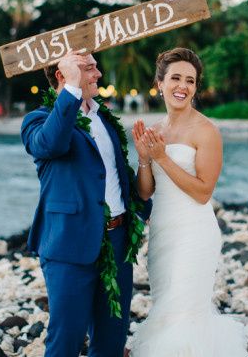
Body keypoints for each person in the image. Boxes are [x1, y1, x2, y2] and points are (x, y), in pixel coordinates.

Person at [20, 51, 152, 357]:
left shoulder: (104, 116)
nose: (98, 74)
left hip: (117, 240)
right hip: (69, 243)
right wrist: (71, 88)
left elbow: (116, 175)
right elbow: (52, 144)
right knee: (66, 338)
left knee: (112, 338)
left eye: (95, 67)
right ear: (62, 75)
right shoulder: (37, 121)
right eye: (88, 68)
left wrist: (145, 211)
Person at [129, 48, 248, 356]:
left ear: (196, 88)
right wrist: (144, 159)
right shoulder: (156, 130)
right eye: (175, 78)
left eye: (190, 81)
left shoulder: (206, 130)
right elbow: (145, 192)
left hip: (195, 232)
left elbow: (202, 192)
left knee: (185, 311)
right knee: (166, 308)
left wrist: (162, 158)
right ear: (160, 83)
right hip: (162, 234)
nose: (182, 86)